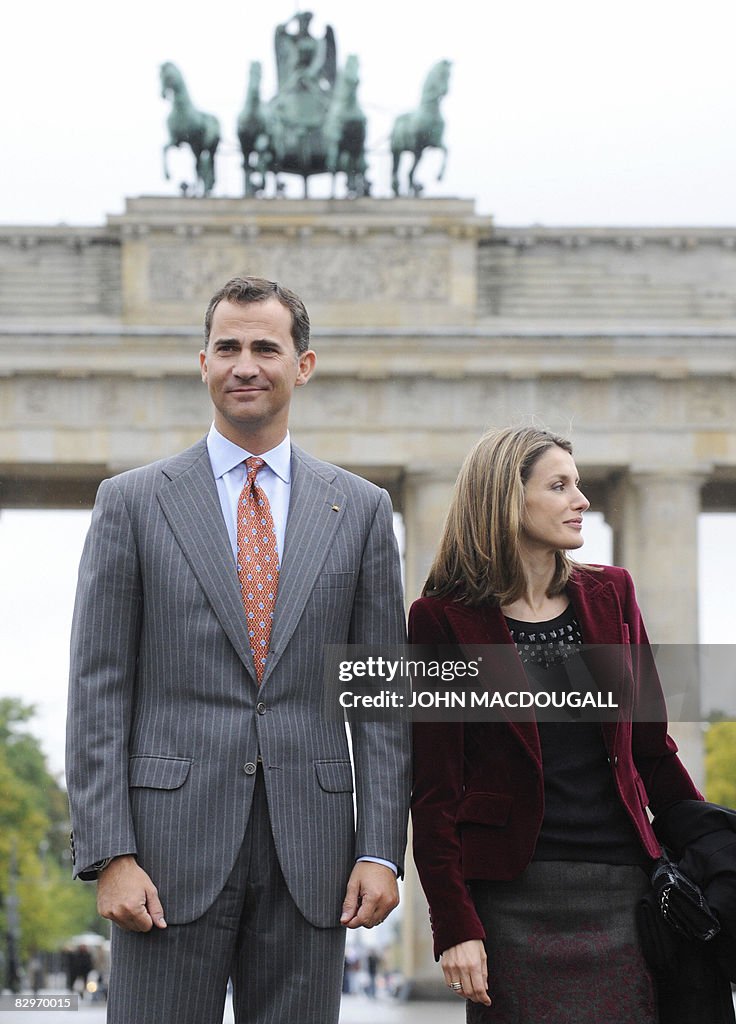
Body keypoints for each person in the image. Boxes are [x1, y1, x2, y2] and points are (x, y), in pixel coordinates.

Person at [66, 275, 410, 1024]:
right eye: (228, 347)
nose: (244, 364)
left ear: (303, 364)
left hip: (312, 854)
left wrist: (381, 849)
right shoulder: (131, 502)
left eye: (265, 347)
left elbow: (381, 703)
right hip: (163, 855)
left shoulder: (359, 511)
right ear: (203, 362)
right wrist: (108, 852)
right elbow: (98, 689)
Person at [409, 426, 701, 1024]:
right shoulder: (443, 619)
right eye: (560, 485)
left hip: (625, 892)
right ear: (507, 500)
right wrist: (454, 925)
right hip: (510, 900)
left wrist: (713, 847)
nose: (582, 500)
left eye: (581, 484)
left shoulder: (611, 595)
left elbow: (653, 749)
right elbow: (436, 791)